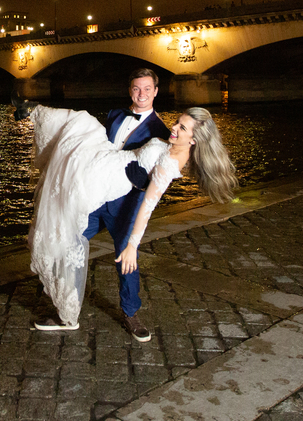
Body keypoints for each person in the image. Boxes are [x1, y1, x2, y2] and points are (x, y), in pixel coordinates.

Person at [14, 92, 237, 343]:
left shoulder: (171, 163)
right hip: (109, 161)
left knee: (68, 214)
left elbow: (148, 207)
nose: (173, 127)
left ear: (194, 139)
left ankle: (118, 313)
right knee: (84, 123)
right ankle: (33, 110)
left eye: (182, 127)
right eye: (177, 122)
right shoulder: (172, 143)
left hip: (110, 182)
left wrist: (132, 244)